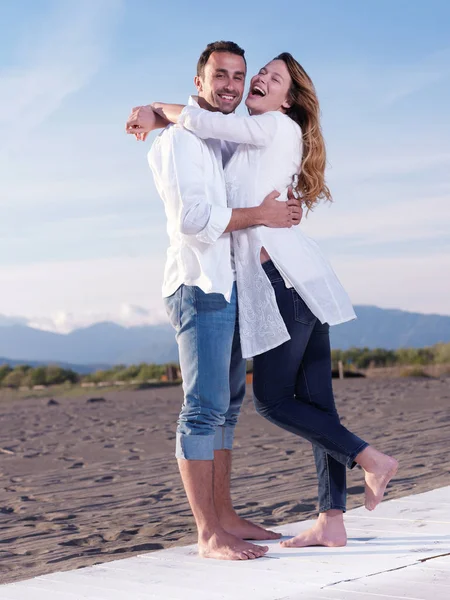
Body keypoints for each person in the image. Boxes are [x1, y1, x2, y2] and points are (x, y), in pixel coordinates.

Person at [126, 51, 398, 549]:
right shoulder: (235, 138)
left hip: (282, 282)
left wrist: (159, 109)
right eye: (260, 76)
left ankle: (369, 458)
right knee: (317, 405)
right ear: (203, 80)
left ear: (287, 100)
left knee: (273, 400)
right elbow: (205, 178)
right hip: (302, 278)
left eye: (270, 79)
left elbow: (206, 124)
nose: (253, 83)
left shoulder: (266, 127)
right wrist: (160, 116)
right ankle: (331, 519)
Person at [126, 41, 303, 561]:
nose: (230, 85)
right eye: (219, 75)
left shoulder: (215, 136)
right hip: (198, 285)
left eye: (238, 75)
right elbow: (193, 220)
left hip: (227, 284)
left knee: (226, 406)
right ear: (200, 81)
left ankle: (225, 516)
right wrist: (260, 215)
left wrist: (153, 110)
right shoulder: (183, 142)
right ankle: (208, 534)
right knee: (201, 411)